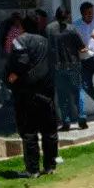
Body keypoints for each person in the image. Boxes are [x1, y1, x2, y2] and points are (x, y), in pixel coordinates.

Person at [5, 21, 59, 178]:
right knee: (49, 132)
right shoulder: (46, 42)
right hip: (47, 93)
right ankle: (50, 166)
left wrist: (13, 76)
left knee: (29, 132)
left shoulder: (20, 41)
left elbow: (22, 61)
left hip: (27, 94)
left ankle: (33, 169)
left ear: (22, 28)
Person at [46, 7, 89, 131]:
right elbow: (82, 48)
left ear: (56, 16)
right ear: (68, 16)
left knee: (62, 95)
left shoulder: (49, 29)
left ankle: (66, 121)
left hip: (57, 66)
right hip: (73, 64)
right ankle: (82, 117)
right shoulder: (72, 29)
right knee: (78, 91)